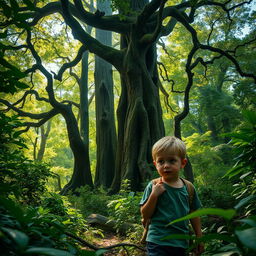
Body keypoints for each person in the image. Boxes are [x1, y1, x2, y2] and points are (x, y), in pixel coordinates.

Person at [140, 136, 204, 256]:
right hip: (157, 241)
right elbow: (145, 214)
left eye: (172, 161)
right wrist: (154, 195)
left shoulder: (188, 188)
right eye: (161, 161)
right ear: (155, 164)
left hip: (181, 242)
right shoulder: (153, 185)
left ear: (183, 163)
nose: (166, 165)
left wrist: (199, 238)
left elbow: (194, 214)